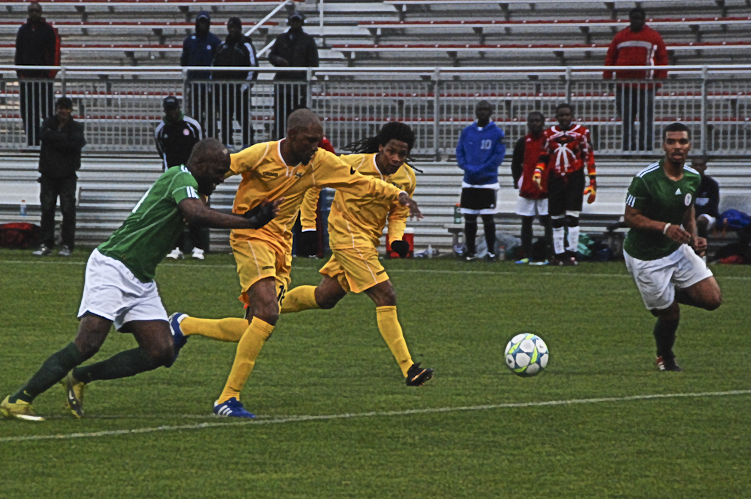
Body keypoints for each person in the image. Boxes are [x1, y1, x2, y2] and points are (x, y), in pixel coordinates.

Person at [1, 139, 282, 422]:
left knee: (161, 351)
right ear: (200, 164)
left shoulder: (194, 189)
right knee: (88, 342)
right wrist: (250, 221)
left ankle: (80, 377)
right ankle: (18, 400)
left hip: (140, 277)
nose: (222, 178)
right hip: (114, 265)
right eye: (219, 171)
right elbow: (194, 215)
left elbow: (197, 211)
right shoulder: (180, 175)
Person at [168, 109, 422, 418]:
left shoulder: (320, 163)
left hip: (281, 246)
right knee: (268, 313)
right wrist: (197, 199)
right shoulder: (261, 154)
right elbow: (217, 168)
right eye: (311, 141)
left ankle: (183, 325)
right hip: (251, 236)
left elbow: (358, 182)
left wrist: (397, 195)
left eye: (319, 141)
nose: (317, 147)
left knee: (255, 326)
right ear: (292, 136)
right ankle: (228, 398)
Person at [623, 122, 722, 371]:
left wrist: (693, 236)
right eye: (672, 141)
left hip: (676, 250)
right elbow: (630, 217)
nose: (677, 146)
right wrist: (665, 227)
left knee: (713, 299)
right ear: (664, 146)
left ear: (689, 146)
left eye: (682, 141)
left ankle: (665, 293)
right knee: (670, 315)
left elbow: (688, 207)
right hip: (645, 256)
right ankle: (664, 357)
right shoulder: (645, 180)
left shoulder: (692, 177)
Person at [534, 103, 597, 266]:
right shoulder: (549, 134)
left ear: (572, 115)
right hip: (555, 177)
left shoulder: (582, 133)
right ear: (556, 117)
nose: (564, 118)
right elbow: (544, 155)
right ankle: (559, 254)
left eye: (567, 114)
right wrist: (538, 172)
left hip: (574, 177)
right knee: (556, 219)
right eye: (561, 115)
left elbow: (588, 155)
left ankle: (572, 253)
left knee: (572, 217)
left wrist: (592, 180)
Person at [604, 7, 668, 152]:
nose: (637, 21)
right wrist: (607, 77)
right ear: (630, 19)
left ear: (644, 19)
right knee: (627, 120)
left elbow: (662, 59)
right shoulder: (620, 36)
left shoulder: (653, 36)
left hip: (646, 87)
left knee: (646, 120)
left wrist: (658, 81)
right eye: (634, 18)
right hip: (624, 86)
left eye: (639, 18)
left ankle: (646, 148)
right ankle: (628, 148)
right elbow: (610, 57)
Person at [31, 97, 86, 257]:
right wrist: (64, 140)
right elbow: (45, 137)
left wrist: (55, 138)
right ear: (57, 109)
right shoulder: (48, 123)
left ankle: (67, 245)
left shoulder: (76, 127)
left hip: (67, 175)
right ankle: (45, 244)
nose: (63, 111)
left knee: (68, 211)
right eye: (60, 108)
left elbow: (75, 144)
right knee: (47, 209)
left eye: (66, 108)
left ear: (70, 110)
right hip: (48, 174)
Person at [154, 95, 206, 260]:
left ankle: (198, 247)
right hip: (174, 176)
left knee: (195, 209)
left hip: (192, 174)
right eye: (169, 110)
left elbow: (200, 147)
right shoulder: (161, 130)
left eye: (174, 109)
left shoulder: (191, 125)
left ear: (179, 108)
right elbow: (161, 152)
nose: (172, 113)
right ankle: (177, 247)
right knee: (175, 212)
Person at [455, 100, 506, 261]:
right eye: (480, 109)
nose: (483, 112)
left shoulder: (497, 133)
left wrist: (481, 169)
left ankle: (491, 252)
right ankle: (471, 252)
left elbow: (498, 156)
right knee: (469, 218)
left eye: (486, 109)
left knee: (487, 218)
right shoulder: (467, 131)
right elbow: (460, 151)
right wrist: (466, 167)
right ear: (475, 112)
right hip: (469, 181)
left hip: (488, 182)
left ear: (491, 112)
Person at [269, 10, 319, 140]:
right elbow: (271, 56)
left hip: (299, 86)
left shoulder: (308, 40)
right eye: (293, 20)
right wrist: (278, 60)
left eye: (298, 20)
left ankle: (299, 140)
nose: (295, 23)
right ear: (289, 21)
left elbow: (314, 63)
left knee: (299, 116)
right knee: (280, 115)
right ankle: (280, 140)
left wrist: (302, 74)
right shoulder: (281, 39)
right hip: (282, 85)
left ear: (302, 22)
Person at [511, 111, 552, 264]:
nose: (535, 124)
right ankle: (526, 254)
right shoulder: (523, 142)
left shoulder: (549, 142)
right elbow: (515, 164)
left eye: (538, 121)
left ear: (543, 123)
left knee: (547, 222)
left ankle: (550, 254)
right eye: (532, 121)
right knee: (526, 222)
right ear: (528, 124)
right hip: (527, 187)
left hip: (545, 188)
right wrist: (517, 182)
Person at [15, 1, 57, 147]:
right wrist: (19, 73)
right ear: (28, 12)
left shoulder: (48, 30)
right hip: (27, 79)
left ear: (41, 13)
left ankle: (48, 141)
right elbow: (18, 52)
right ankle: (32, 141)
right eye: (32, 11)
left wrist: (50, 74)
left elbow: (53, 53)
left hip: (43, 79)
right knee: (28, 112)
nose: (34, 13)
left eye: (37, 11)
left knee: (47, 112)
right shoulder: (23, 30)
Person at [212, 17, 258, 150]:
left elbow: (253, 67)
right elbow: (214, 67)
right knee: (225, 117)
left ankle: (248, 143)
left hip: (241, 90)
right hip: (224, 90)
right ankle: (227, 143)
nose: (233, 30)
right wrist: (217, 87)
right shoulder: (222, 46)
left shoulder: (247, 46)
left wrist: (244, 86)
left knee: (242, 117)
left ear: (240, 29)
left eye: (235, 27)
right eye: (231, 27)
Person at [181, 11, 221, 138]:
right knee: (194, 116)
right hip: (194, 86)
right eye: (201, 22)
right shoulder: (189, 41)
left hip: (209, 88)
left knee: (210, 116)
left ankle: (211, 139)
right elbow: (184, 61)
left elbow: (218, 62)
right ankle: (194, 139)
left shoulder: (214, 41)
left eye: (205, 22)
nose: (203, 25)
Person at [691, 157, 720, 241]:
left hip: (707, 214)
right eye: (695, 165)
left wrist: (698, 214)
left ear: (705, 167)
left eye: (700, 165)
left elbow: (713, 206)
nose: (698, 167)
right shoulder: (687, 184)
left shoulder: (712, 184)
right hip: (690, 215)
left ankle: (702, 248)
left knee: (701, 221)